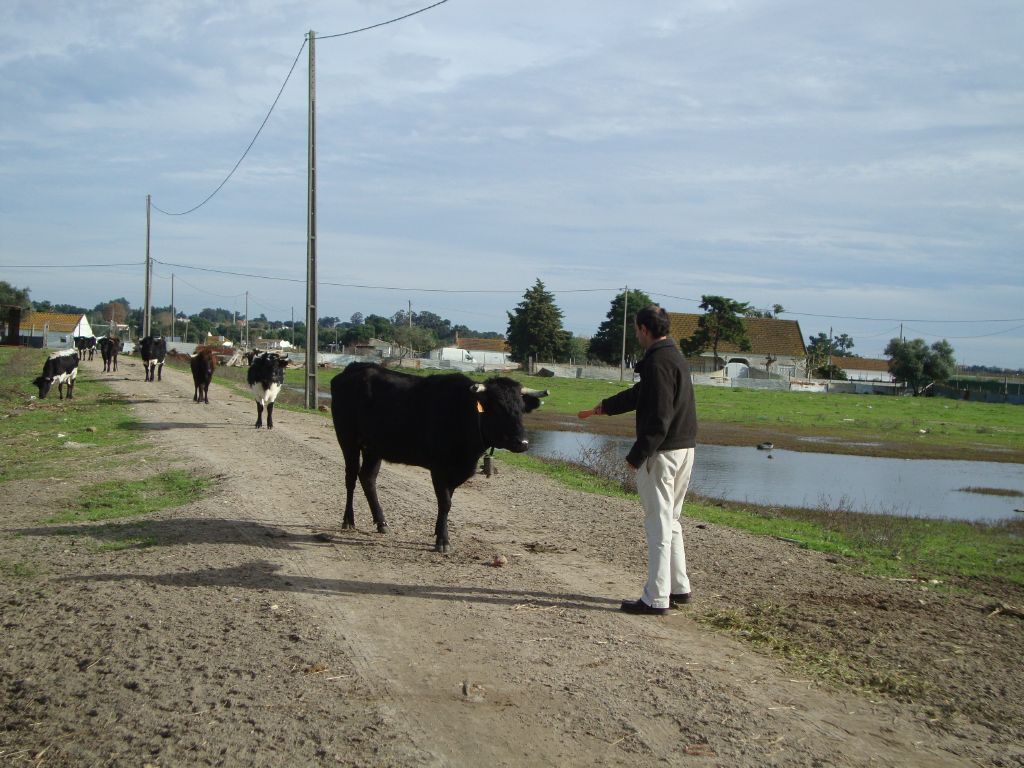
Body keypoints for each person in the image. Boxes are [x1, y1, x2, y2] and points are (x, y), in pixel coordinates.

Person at [590, 305, 698, 616]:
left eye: (636, 328)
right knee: (671, 521)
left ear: (644, 329)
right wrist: (607, 406)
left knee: (658, 525)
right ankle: (679, 588)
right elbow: (642, 394)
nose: (636, 333)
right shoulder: (673, 356)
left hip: (661, 454)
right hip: (684, 448)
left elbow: (660, 416)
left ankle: (656, 598)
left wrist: (637, 455)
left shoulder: (657, 362)